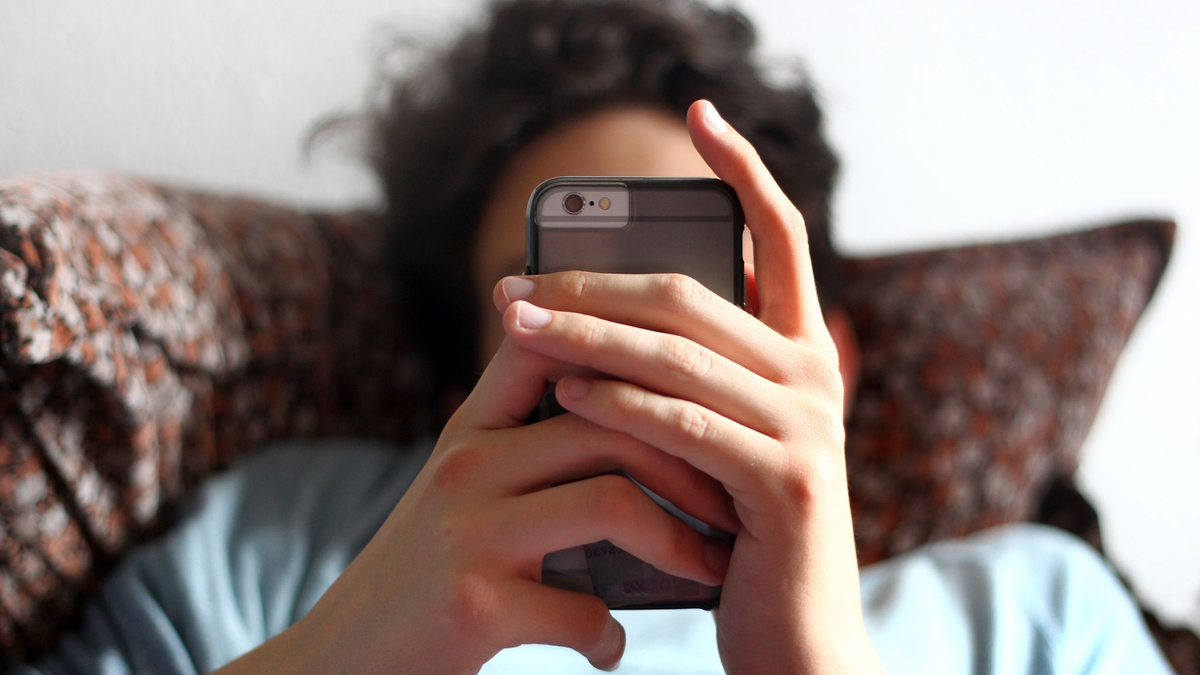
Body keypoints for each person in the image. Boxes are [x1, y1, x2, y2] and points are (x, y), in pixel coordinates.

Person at [10, 1, 1173, 674]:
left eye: (692, 295)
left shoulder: (1033, 618)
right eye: (560, 307)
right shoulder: (272, 551)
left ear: (832, 359)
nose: (638, 354)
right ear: (470, 381)